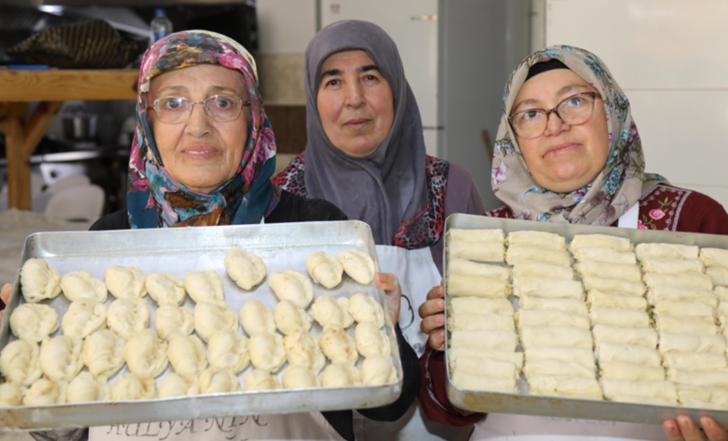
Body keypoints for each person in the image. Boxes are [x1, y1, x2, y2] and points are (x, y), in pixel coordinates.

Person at [0, 29, 419, 441]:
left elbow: (386, 405)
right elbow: (63, 428)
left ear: (254, 116)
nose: (198, 125)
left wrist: (385, 328)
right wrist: (21, 359)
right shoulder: (105, 243)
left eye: (222, 103)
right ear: (146, 121)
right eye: (173, 103)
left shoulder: (313, 231)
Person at [417, 45, 728, 441]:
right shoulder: (486, 242)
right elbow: (446, 410)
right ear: (514, 139)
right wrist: (446, 347)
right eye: (530, 114)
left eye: (575, 102)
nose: (554, 125)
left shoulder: (692, 223)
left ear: (612, 113)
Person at [273, 19, 484, 440]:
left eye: (370, 77)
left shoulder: (453, 188)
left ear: (397, 89)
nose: (354, 99)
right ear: (313, 100)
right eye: (333, 81)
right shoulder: (282, 200)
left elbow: (487, 334)